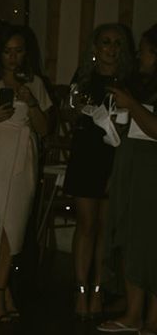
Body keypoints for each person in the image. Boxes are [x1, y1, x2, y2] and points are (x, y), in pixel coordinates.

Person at [0, 25, 51, 322]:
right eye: (7, 51)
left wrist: (32, 102)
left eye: (19, 51)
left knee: (11, 230)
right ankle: (3, 296)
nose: (13, 58)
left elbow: (44, 129)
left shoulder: (35, 84)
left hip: (22, 161)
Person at [64, 23, 136, 319]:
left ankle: (98, 290)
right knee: (86, 225)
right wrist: (75, 109)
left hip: (115, 159)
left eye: (117, 43)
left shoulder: (130, 82)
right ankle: (81, 291)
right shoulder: (82, 79)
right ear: (95, 48)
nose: (111, 48)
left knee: (106, 230)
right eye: (106, 42)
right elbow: (68, 115)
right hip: (85, 158)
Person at [98, 24, 157, 334]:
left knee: (151, 242)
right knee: (131, 238)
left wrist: (131, 105)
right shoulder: (140, 82)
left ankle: (152, 318)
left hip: (151, 169)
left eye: (145, 51)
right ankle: (133, 313)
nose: (140, 57)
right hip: (131, 162)